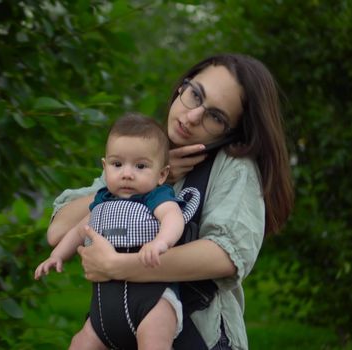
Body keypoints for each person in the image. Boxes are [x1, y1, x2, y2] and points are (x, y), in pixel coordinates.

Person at [47, 53, 295, 350]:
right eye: (195, 95)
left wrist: (121, 266)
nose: (192, 117)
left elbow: (226, 255)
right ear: (182, 88)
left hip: (197, 337)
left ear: (232, 132)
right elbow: (59, 231)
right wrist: (155, 178)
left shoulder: (233, 167)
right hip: (118, 328)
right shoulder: (141, 158)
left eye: (215, 116)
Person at [35, 112, 201, 350]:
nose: (127, 173)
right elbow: (80, 230)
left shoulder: (155, 197)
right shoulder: (102, 201)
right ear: (105, 167)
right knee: (79, 343)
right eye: (117, 164)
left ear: (162, 174)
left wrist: (161, 242)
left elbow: (173, 218)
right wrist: (57, 255)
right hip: (105, 309)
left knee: (154, 342)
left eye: (141, 166)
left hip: (151, 302)